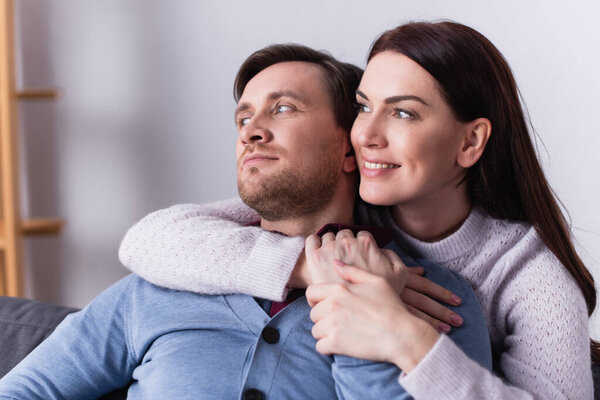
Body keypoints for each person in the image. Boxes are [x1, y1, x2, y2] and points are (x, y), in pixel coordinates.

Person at [118, 22, 598, 399]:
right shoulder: (351, 206)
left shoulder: (534, 278)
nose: (365, 134)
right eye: (364, 107)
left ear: (470, 141)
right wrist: (314, 265)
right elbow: (151, 240)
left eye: (403, 112)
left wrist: (401, 335)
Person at [0, 43, 491, 399]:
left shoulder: (437, 302)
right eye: (243, 118)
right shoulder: (162, 284)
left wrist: (363, 310)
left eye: (283, 108)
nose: (252, 132)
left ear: (351, 146)